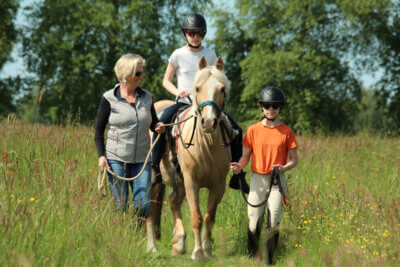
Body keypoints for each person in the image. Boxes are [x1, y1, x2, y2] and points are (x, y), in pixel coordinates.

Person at [151, 13, 249, 193]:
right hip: (183, 103)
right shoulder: (177, 54)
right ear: (185, 33)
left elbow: (216, 79)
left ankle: (238, 175)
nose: (195, 37)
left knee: (236, 130)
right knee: (162, 122)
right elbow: (166, 80)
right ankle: (155, 167)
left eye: (199, 33)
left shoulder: (210, 54)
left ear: (203, 34)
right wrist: (177, 91)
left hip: (207, 105)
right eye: (191, 33)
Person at [230, 86, 298, 263]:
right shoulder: (253, 130)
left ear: (280, 107)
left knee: (274, 218)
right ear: (262, 107)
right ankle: (254, 257)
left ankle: (271, 260)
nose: (271, 109)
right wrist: (239, 166)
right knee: (254, 219)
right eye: (267, 105)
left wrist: (283, 168)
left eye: (275, 105)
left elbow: (294, 160)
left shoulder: (287, 132)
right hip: (257, 179)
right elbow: (245, 156)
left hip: (277, 179)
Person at [94, 54, 165, 218]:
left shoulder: (147, 97)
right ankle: (118, 239)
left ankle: (134, 234)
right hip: (116, 159)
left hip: (142, 159)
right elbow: (98, 130)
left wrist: (158, 127)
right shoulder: (109, 98)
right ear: (126, 74)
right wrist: (101, 156)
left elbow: (154, 123)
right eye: (138, 73)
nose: (142, 76)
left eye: (142, 72)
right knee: (120, 207)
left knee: (144, 206)